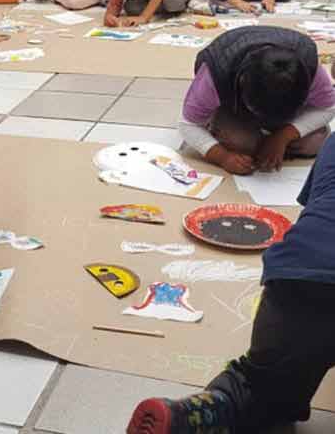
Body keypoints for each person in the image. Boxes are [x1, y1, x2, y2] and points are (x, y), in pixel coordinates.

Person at [127, 134, 335, 434]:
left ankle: (202, 414)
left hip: (299, 275)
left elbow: (317, 223)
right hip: (309, 272)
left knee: (259, 390)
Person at [178, 25, 335, 175]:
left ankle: (265, 144)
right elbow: (188, 125)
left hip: (284, 118)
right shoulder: (215, 74)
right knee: (241, 143)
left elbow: (329, 107)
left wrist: (283, 136)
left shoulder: (308, 68)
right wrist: (222, 157)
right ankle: (250, 141)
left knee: (316, 143)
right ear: (242, 82)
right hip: (235, 110)